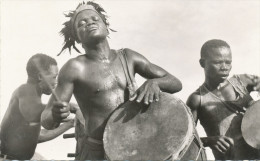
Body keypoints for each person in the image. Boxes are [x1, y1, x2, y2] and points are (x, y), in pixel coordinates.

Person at [41, 1, 182, 160]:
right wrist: (55, 115)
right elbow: (46, 120)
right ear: (77, 37)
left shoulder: (128, 57)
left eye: (95, 19)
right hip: (97, 150)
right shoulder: (74, 68)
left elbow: (175, 83)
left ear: (106, 27)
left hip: (134, 146)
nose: (90, 23)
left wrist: (154, 82)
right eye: (82, 23)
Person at [186, 39, 260, 160]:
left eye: (228, 62)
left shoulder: (243, 82)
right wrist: (208, 141)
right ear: (202, 63)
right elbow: (186, 138)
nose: (225, 67)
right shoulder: (197, 99)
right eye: (218, 62)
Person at [0, 54, 78, 160]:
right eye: (54, 77)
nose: (56, 81)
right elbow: (33, 112)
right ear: (40, 77)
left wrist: (71, 123)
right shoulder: (25, 90)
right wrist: (71, 107)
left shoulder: (30, 100)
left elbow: (39, 136)